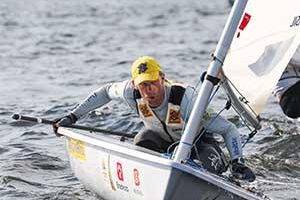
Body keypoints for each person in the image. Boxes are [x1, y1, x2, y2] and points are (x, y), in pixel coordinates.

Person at [55, 56, 256, 182]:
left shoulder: (186, 99)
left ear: (162, 78)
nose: (149, 90)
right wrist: (72, 116)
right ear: (135, 85)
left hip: (199, 143)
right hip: (161, 141)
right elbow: (105, 92)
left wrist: (238, 162)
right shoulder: (129, 92)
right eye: (143, 85)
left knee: (210, 163)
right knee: (142, 140)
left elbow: (229, 129)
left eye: (153, 82)